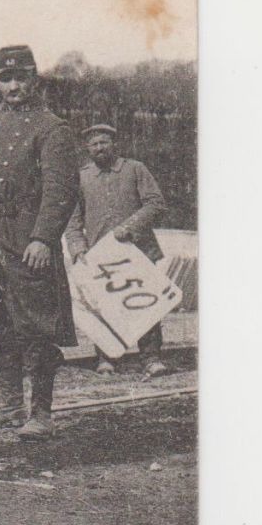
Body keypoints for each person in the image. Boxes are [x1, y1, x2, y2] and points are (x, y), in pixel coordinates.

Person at [0, 46, 83, 441]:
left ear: (35, 79)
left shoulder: (52, 128)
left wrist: (42, 238)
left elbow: (61, 191)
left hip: (29, 241)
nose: (13, 86)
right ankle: (10, 404)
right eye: (5, 78)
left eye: (21, 78)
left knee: (37, 327)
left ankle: (41, 412)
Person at [64, 123, 171, 377]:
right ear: (87, 148)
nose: (99, 148)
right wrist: (79, 249)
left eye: (104, 142)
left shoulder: (135, 169)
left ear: (115, 144)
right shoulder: (82, 177)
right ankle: (107, 358)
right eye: (94, 144)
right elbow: (72, 220)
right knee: (104, 306)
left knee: (144, 303)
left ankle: (151, 357)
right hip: (101, 257)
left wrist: (130, 227)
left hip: (138, 250)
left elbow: (156, 204)